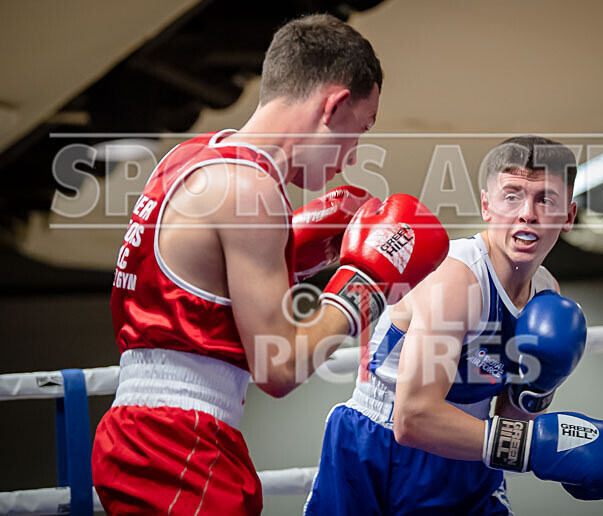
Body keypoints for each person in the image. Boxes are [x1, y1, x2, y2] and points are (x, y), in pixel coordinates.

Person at [91, 14, 450, 515]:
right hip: (179, 443)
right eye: (359, 130)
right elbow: (278, 367)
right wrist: (366, 281)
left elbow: (191, 299)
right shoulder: (252, 190)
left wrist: (296, 259)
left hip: (150, 435)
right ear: (335, 104)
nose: (350, 158)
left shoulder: (192, 156)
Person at [305, 136, 603, 515]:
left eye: (546, 199)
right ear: (486, 205)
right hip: (384, 444)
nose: (528, 213)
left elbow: (510, 417)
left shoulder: (546, 291)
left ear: (568, 216)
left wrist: (538, 388)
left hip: (469, 447)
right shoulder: (457, 278)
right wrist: (533, 447)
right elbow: (413, 418)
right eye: (512, 195)